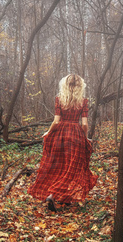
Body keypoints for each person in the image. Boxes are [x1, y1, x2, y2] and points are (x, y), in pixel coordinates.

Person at [28, 74, 97, 211]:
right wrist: (85, 137)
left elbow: (57, 121)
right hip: (75, 136)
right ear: (80, 86)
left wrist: (48, 132)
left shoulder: (59, 100)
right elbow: (84, 124)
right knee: (71, 169)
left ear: (64, 85)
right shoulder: (83, 102)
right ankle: (54, 194)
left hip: (60, 135)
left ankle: (57, 195)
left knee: (58, 166)